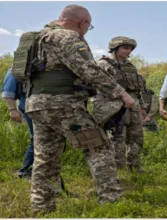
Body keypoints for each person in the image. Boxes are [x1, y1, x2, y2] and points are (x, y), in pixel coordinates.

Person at [24, 5, 135, 215]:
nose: (86, 30)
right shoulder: (66, 36)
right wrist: (122, 94)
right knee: (98, 147)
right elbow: (88, 69)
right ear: (82, 22)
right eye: (88, 26)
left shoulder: (37, 38)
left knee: (45, 157)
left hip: (37, 104)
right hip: (64, 104)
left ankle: (41, 207)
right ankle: (111, 201)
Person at [94, 36, 146, 172]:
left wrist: (142, 107)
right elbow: (100, 87)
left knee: (137, 136)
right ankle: (118, 169)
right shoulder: (103, 64)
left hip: (133, 105)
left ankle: (134, 165)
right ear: (115, 48)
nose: (129, 51)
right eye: (125, 48)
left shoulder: (130, 66)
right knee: (117, 138)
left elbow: (138, 88)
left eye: (130, 49)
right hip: (114, 106)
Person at [1, 67, 34, 178]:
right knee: (37, 138)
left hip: (48, 108)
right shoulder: (20, 64)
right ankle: (26, 170)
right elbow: (8, 90)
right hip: (29, 107)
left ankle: (34, 169)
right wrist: (12, 110)